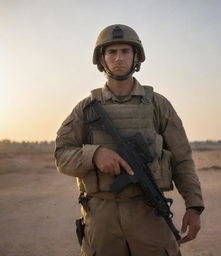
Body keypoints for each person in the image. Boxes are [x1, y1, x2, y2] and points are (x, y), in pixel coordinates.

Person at [55, 24, 204, 256]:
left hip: (148, 212)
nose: (119, 58)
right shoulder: (86, 109)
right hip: (101, 216)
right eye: (111, 52)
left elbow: (182, 159)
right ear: (102, 59)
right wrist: (93, 155)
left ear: (136, 57)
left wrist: (194, 206)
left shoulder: (157, 104)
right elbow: (62, 155)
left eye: (125, 51)